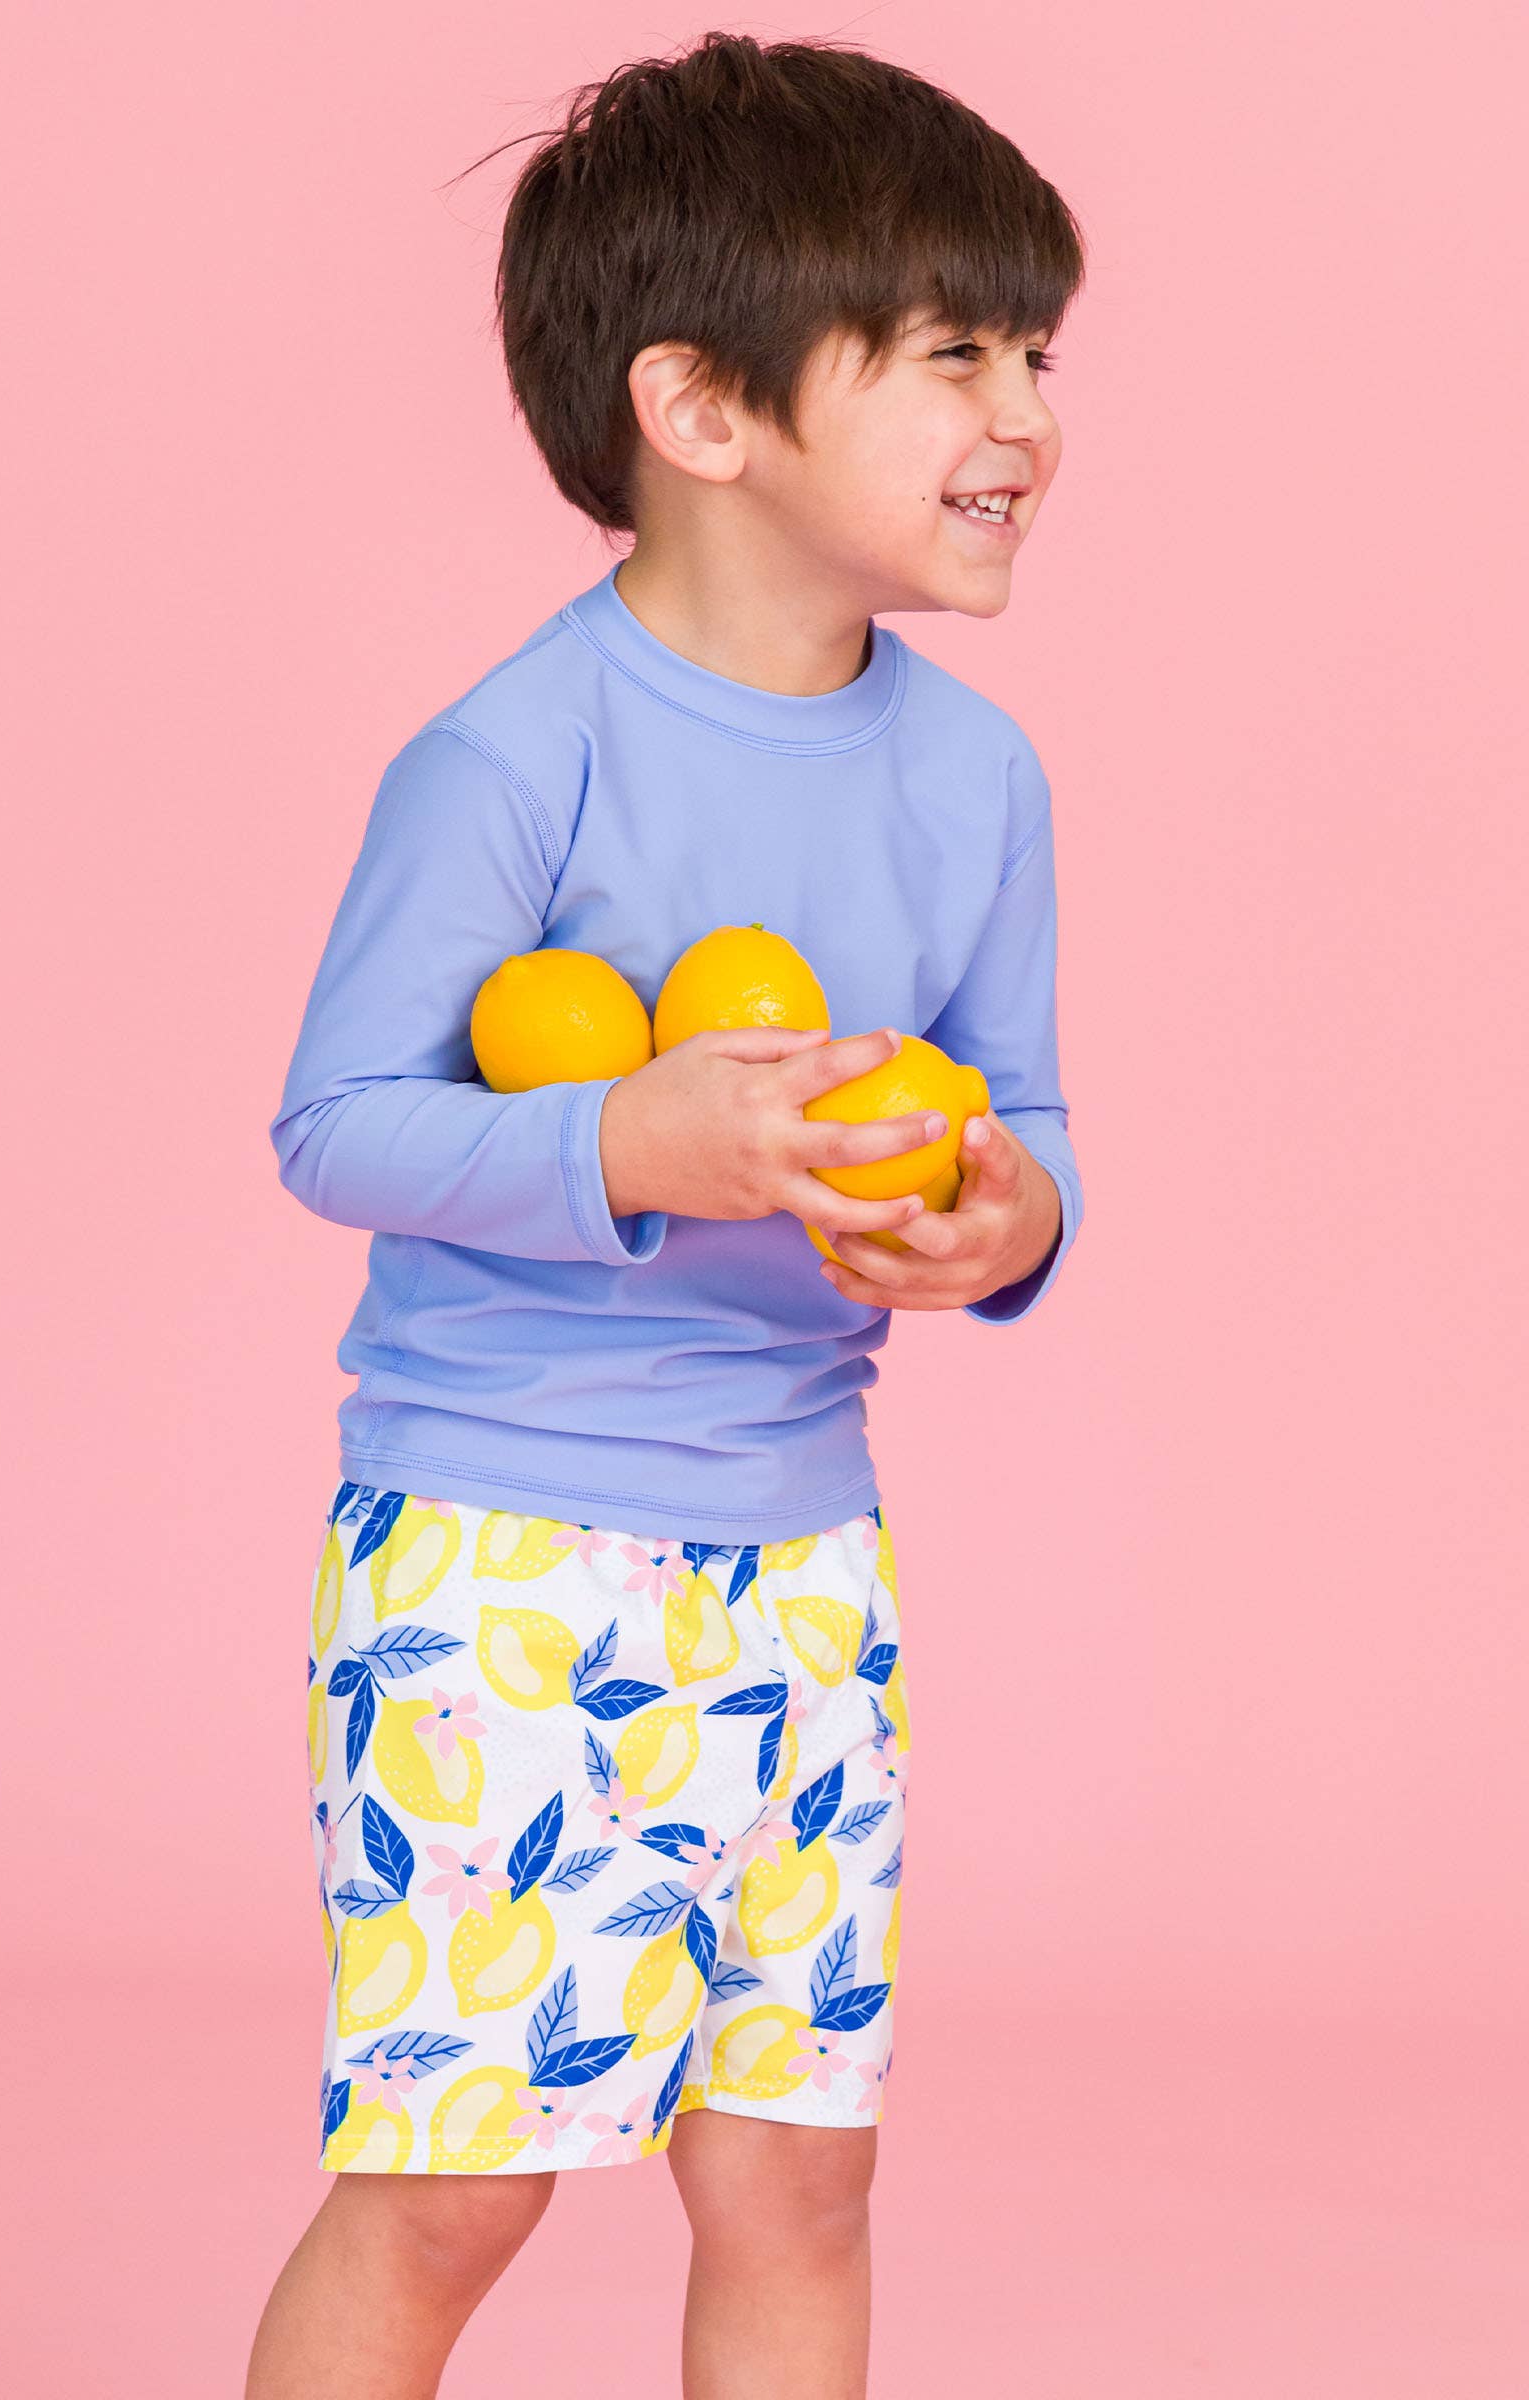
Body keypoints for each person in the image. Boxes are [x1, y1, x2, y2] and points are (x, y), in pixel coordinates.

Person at [247, 31, 1087, 2399]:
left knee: (798, 2176)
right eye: (955, 354)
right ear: (702, 407)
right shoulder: (515, 753)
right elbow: (337, 1127)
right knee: (453, 2184)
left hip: (803, 1571)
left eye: (1041, 354)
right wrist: (634, 1147)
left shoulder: (977, 777)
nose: (1029, 416)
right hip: (497, 1566)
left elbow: (1020, 1117)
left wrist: (1005, 1221)